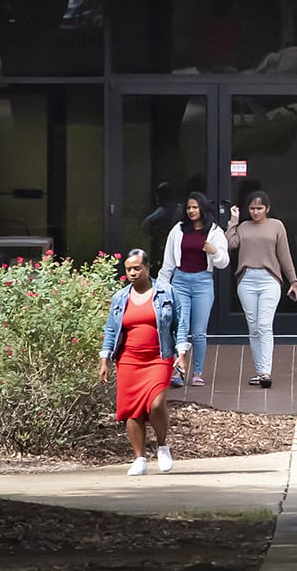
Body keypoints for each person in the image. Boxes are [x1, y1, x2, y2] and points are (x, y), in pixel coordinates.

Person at [98, 248, 175, 477]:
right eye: (128, 269)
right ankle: (139, 458)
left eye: (136, 268)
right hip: (129, 359)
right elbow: (111, 329)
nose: (132, 273)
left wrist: (182, 351)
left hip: (159, 357)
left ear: (147, 268)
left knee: (157, 403)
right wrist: (104, 358)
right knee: (131, 410)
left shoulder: (166, 292)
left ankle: (162, 446)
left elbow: (179, 324)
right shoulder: (121, 297)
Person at [226, 190, 297, 388]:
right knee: (253, 326)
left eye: (259, 208)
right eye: (252, 208)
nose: (255, 212)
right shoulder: (243, 226)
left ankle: (266, 372)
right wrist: (233, 221)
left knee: (265, 325)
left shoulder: (276, 225)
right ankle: (260, 372)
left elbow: (284, 255)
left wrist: (293, 281)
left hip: (269, 279)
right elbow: (230, 244)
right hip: (247, 279)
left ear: (267, 208)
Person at [158, 190, 229, 389]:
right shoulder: (178, 230)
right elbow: (168, 262)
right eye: (188, 207)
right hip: (180, 281)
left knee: (198, 332)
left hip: (203, 283)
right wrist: (162, 287)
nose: (191, 211)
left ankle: (197, 372)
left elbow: (224, 262)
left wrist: (214, 252)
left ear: (203, 208)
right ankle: (178, 370)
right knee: (180, 327)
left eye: (195, 207)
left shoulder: (214, 231)